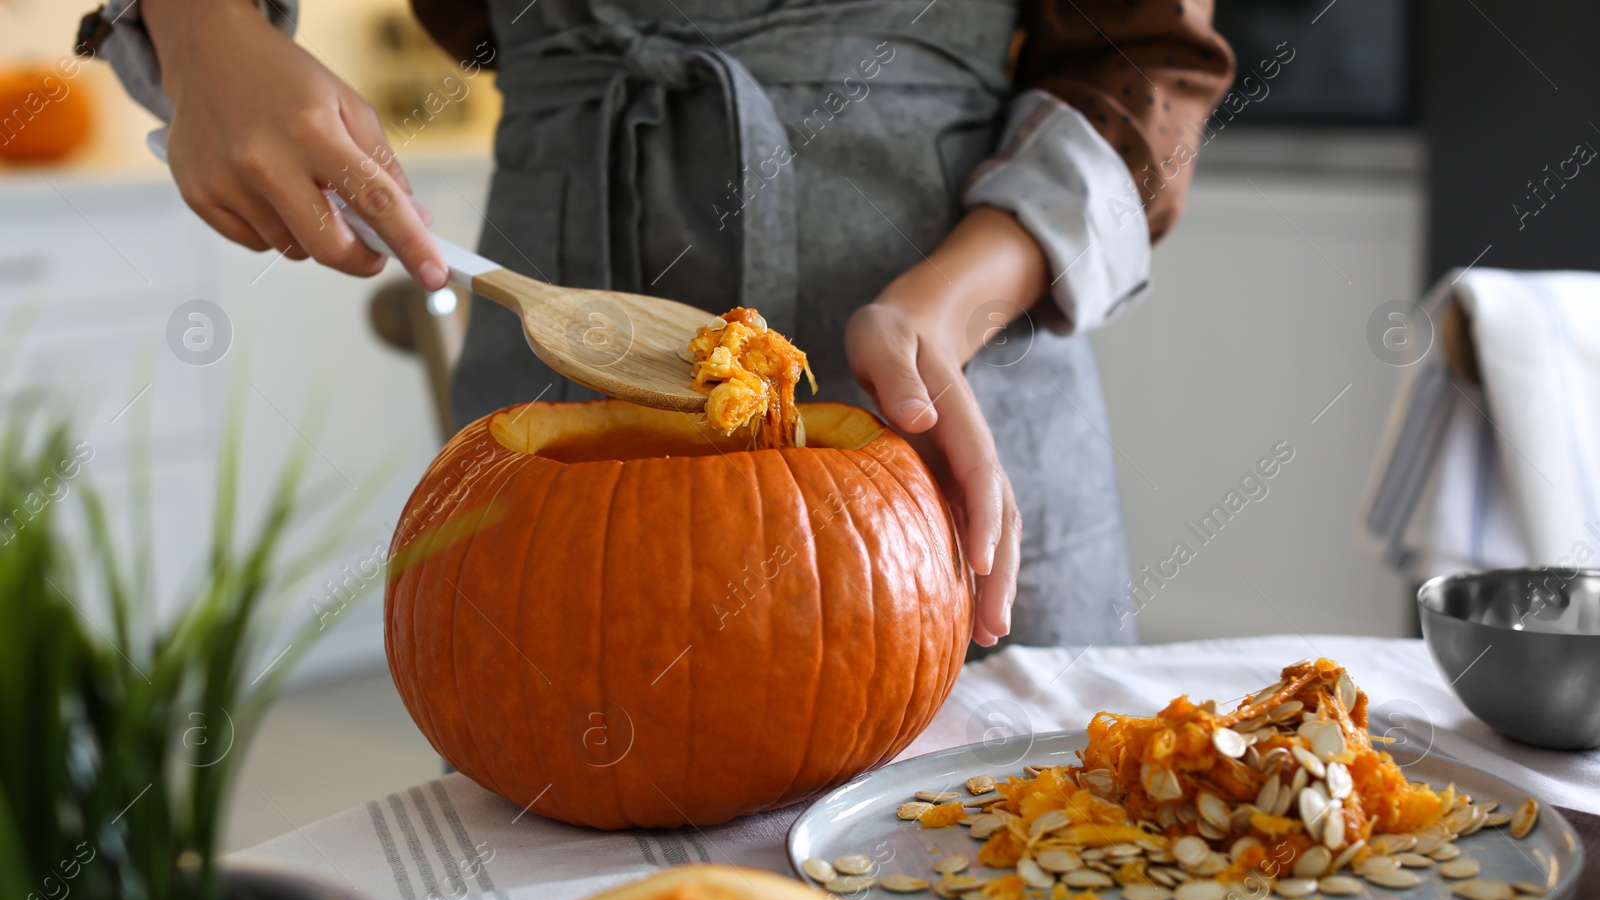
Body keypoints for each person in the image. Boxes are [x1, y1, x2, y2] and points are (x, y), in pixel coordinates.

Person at [84, 0, 1232, 652]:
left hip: (958, 402)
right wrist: (199, 28)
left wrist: (948, 302)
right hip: (552, 401)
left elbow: (1143, 71)